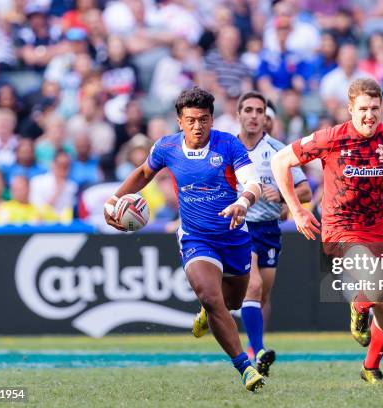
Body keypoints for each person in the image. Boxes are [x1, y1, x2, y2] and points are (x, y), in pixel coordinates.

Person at [104, 87, 265, 392]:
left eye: (203, 119)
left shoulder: (228, 145)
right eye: (190, 120)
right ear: (180, 121)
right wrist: (114, 199)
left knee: (230, 302)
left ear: (212, 120)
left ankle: (208, 314)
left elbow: (252, 182)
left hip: (234, 237)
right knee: (209, 295)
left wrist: (242, 203)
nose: (197, 126)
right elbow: (142, 173)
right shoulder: (166, 147)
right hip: (195, 237)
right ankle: (244, 367)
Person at [271, 78, 383, 383]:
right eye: (363, 109)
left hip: (378, 228)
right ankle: (358, 305)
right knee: (376, 283)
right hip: (340, 228)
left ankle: (370, 367)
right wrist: (297, 210)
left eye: (375, 108)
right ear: (350, 109)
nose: (370, 115)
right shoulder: (332, 138)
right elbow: (280, 160)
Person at [233, 91, 311, 375]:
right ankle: (259, 350)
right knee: (252, 288)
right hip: (240, 227)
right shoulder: (228, 148)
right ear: (238, 114)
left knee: (261, 295)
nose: (254, 116)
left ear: (266, 117)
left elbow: (305, 190)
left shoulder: (279, 151)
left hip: (268, 229)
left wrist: (279, 194)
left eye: (259, 111)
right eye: (248, 110)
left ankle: (217, 310)